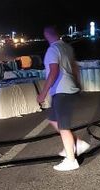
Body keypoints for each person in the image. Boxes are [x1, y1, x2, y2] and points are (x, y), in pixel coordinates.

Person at [37, 26, 90, 171]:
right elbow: (74, 68)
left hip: (62, 91)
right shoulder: (66, 47)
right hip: (66, 90)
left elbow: (53, 72)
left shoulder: (52, 50)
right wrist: (78, 84)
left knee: (63, 127)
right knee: (53, 120)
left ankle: (71, 160)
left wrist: (43, 93)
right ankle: (77, 143)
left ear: (46, 36)